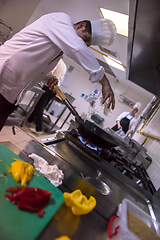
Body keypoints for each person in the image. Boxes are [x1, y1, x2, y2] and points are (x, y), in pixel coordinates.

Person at [0, 12, 117, 131]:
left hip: (11, 95)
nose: (83, 44)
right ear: (81, 26)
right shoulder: (60, 19)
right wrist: (105, 82)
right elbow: (77, 48)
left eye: (87, 44)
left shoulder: (57, 49)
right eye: (85, 39)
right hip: (3, 76)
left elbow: (38, 69)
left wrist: (49, 77)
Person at [28, 59, 67, 135]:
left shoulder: (57, 61)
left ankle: (38, 128)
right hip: (55, 89)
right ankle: (29, 119)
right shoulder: (64, 66)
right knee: (40, 105)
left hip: (49, 87)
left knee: (40, 106)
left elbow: (50, 73)